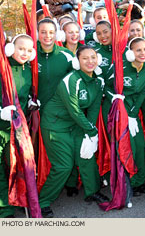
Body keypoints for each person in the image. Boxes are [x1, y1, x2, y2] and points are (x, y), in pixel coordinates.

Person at [38, 46, 109, 217]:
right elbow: (75, 110)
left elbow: (93, 109)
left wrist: (89, 133)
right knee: (64, 166)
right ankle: (43, 201)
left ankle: (92, 191)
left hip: (76, 124)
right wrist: (91, 131)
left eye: (93, 57)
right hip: (55, 125)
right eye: (85, 58)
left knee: (87, 156)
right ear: (77, 61)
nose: (90, 61)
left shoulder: (98, 81)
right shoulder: (71, 80)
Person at [103, 37, 145, 196]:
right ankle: (126, 181)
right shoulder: (119, 67)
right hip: (116, 109)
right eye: (138, 50)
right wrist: (117, 100)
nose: (142, 53)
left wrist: (132, 113)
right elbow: (105, 86)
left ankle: (140, 180)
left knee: (139, 146)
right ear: (130, 53)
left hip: (132, 110)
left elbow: (143, 92)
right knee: (124, 146)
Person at [0, 34, 35, 218]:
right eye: (21, 48)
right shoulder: (3, 67)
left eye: (29, 50)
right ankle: (4, 208)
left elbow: (26, 91)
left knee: (20, 165)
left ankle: (20, 199)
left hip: (18, 126)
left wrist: (30, 101)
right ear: (11, 48)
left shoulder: (28, 68)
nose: (25, 53)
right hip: (1, 125)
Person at [37, 18, 74, 111]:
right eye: (43, 32)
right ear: (37, 33)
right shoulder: (31, 54)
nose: (48, 35)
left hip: (61, 110)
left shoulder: (67, 55)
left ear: (56, 34)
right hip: (37, 109)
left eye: (51, 32)